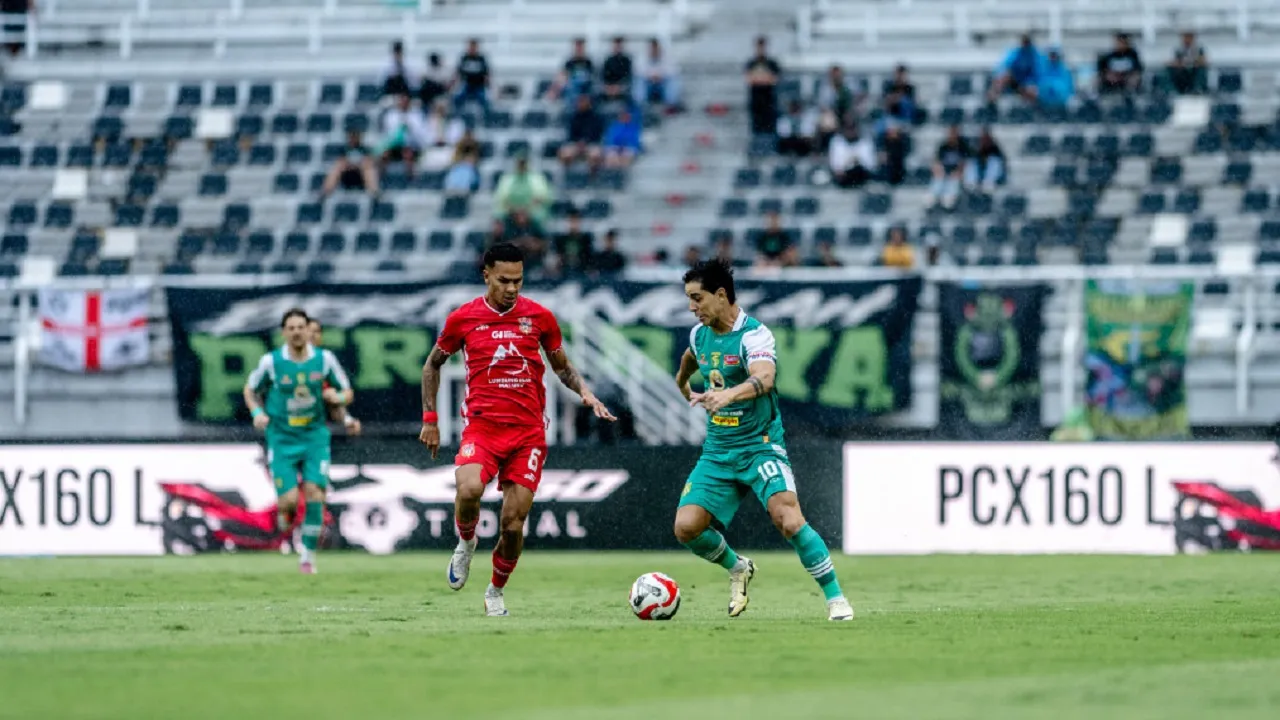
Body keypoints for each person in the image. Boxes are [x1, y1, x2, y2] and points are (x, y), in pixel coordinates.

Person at [418, 243, 616, 616]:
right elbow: (432, 365)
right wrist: (430, 420)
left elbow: (562, 367)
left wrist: (585, 393)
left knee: (512, 526)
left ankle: (495, 591)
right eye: (504, 280)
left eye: (518, 281)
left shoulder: (540, 317)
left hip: (527, 434)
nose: (512, 288)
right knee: (469, 488)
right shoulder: (463, 318)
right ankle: (466, 543)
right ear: (486, 276)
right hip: (483, 428)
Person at [673, 260, 854, 621]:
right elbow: (690, 358)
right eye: (689, 299)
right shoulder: (699, 334)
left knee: (788, 519)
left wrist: (728, 395)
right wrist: (682, 383)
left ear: (721, 295)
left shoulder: (754, 335)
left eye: (697, 298)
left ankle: (836, 598)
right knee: (687, 528)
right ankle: (737, 567)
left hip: (760, 445)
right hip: (718, 451)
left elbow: (765, 378)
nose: (692, 307)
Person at [243, 308, 354, 574]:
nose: (296, 332)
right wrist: (257, 413)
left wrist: (338, 398)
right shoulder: (271, 362)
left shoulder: (324, 360)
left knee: (316, 493)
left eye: (300, 327)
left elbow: (347, 392)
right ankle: (286, 515)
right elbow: (250, 389)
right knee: (289, 502)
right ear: (284, 332)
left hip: (315, 438)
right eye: (290, 328)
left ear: (307, 330)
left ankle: (307, 555)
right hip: (282, 439)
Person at [308, 318, 362, 436]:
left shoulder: (326, 359)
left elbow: (347, 395)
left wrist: (337, 398)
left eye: (316, 331)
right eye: (308, 331)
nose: (312, 335)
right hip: (282, 431)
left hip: (314, 433)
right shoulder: (276, 361)